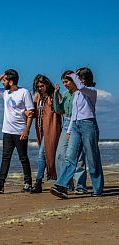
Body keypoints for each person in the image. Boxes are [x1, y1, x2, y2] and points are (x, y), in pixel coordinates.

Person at [50, 67, 104, 199]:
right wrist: (69, 130)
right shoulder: (76, 94)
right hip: (75, 126)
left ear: (84, 79)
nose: (76, 78)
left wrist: (73, 75)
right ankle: (62, 185)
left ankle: (97, 189)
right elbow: (74, 113)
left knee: (92, 158)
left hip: (88, 125)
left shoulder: (91, 91)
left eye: (79, 76)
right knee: (70, 157)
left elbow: (81, 87)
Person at [0, 69, 34, 194]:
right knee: (5, 157)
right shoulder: (5, 93)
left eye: (4, 80)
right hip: (7, 131)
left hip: (20, 132)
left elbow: (31, 112)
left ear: (11, 81)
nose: (3, 82)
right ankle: (0, 185)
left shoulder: (24, 92)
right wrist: (0, 76)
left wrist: (26, 130)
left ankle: (28, 183)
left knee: (23, 158)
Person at [54, 70, 87, 194]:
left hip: (78, 124)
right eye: (63, 82)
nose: (65, 84)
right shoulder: (66, 94)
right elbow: (58, 110)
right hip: (66, 124)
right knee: (60, 155)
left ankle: (80, 186)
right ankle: (65, 184)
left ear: (74, 80)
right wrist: (56, 94)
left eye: (67, 81)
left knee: (79, 157)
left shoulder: (81, 93)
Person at [30, 74, 62, 193]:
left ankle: (38, 182)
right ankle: (60, 181)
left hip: (52, 129)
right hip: (41, 130)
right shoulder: (38, 98)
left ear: (47, 85)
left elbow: (60, 109)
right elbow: (33, 113)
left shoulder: (53, 95)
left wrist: (57, 94)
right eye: (37, 86)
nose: (40, 88)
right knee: (48, 155)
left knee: (42, 154)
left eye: (42, 86)